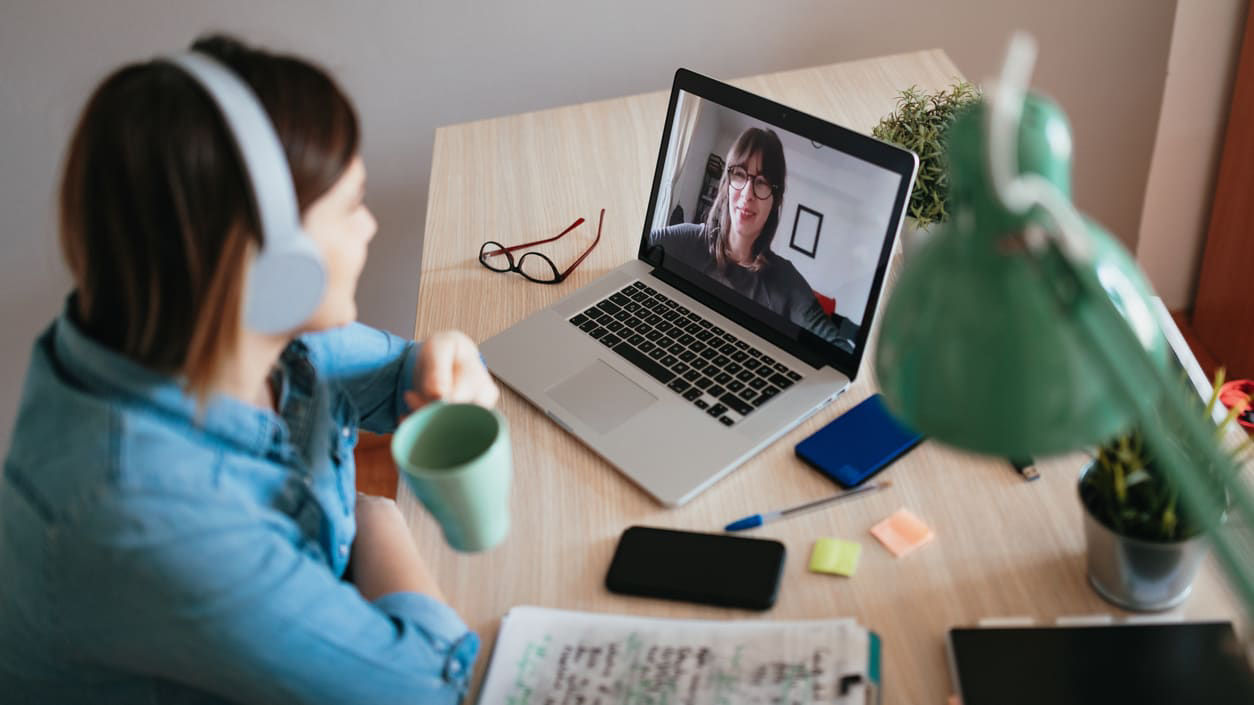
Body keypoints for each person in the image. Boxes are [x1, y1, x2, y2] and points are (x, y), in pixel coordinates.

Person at [0, 36, 498, 704]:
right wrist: (377, 520)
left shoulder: (215, 333)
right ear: (270, 265)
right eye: (351, 206)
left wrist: (447, 360)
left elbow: (403, 377)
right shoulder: (146, 512)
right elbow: (426, 687)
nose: (372, 226)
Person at [649, 127, 853, 352]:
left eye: (762, 182)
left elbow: (835, 347)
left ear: (774, 200)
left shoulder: (785, 282)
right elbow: (635, 251)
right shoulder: (687, 241)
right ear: (727, 184)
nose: (747, 193)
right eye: (739, 174)